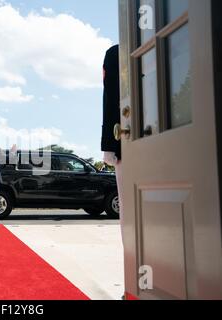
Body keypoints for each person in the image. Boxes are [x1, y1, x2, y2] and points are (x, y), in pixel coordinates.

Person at [101, 45, 124, 242]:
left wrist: (109, 144)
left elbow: (110, 98)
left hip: (125, 139)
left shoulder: (115, 53)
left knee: (130, 209)